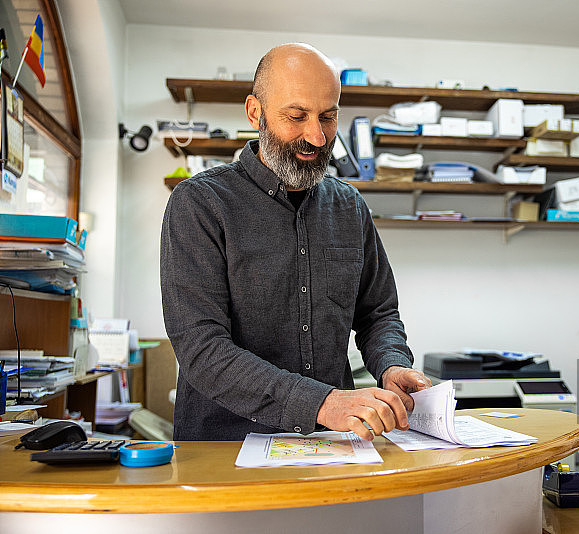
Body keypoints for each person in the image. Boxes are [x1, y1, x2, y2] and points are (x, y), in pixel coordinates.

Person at [160, 43, 430, 441]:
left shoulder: (349, 206)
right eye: (297, 116)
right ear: (255, 113)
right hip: (224, 449)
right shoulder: (199, 204)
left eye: (328, 117)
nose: (317, 137)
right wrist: (322, 403)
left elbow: (378, 313)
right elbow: (202, 348)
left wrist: (391, 364)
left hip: (332, 444)